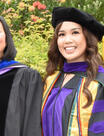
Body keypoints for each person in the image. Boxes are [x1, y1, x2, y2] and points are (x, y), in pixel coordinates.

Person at [42, 7, 104, 136]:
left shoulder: (99, 82)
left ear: (88, 38)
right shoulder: (51, 80)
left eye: (75, 33)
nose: (67, 40)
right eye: (61, 34)